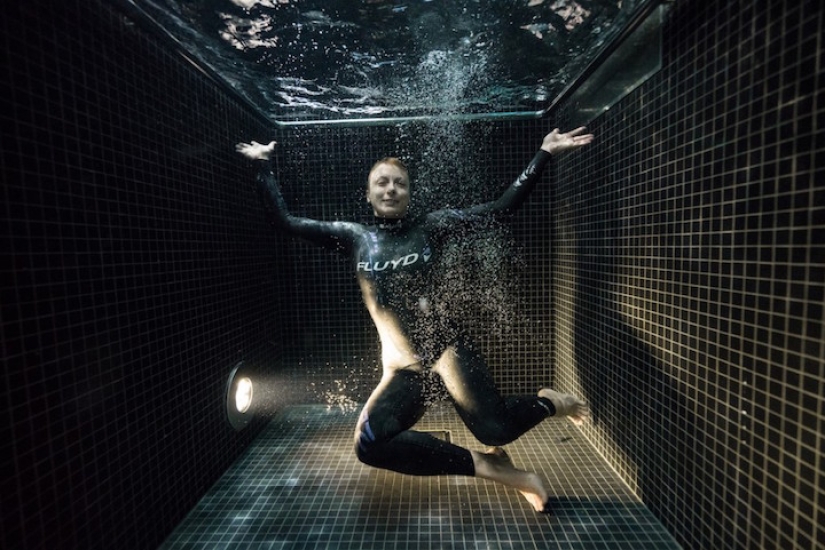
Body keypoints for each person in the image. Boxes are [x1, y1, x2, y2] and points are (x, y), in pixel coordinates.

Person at [236, 127, 593, 513]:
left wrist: (544, 152)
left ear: (409, 193)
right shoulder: (356, 238)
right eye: (382, 183)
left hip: (447, 352)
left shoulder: (432, 227)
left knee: (496, 429)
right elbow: (285, 221)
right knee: (370, 443)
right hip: (403, 367)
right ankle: (493, 467)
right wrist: (263, 166)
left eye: (399, 184)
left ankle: (550, 403)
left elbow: (502, 208)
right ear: (369, 194)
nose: (391, 189)